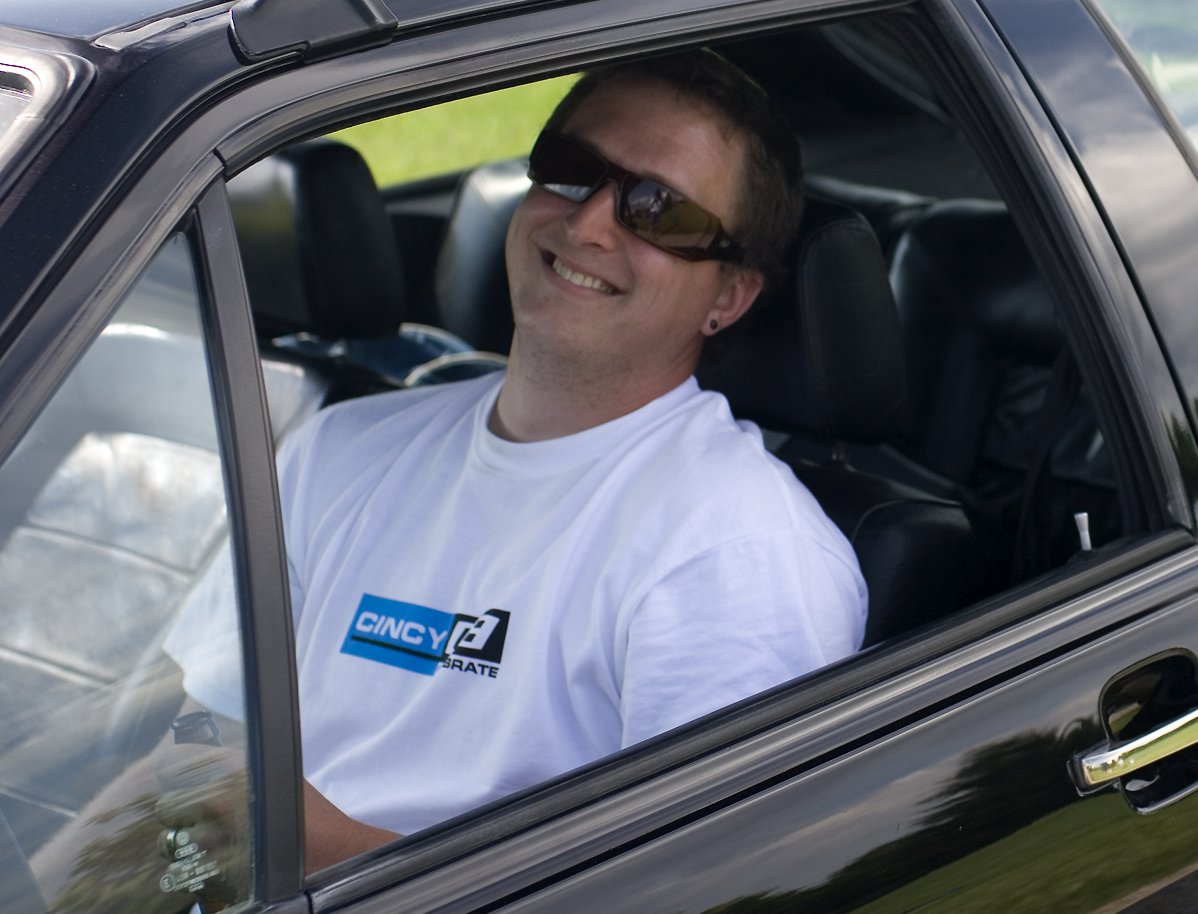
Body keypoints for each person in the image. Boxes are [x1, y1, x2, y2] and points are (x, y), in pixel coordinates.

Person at [161, 49, 867, 871]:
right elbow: (202, 735)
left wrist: (303, 844)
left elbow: (691, 898)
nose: (589, 224)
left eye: (659, 210)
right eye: (573, 171)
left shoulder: (742, 555)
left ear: (728, 297)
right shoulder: (339, 447)